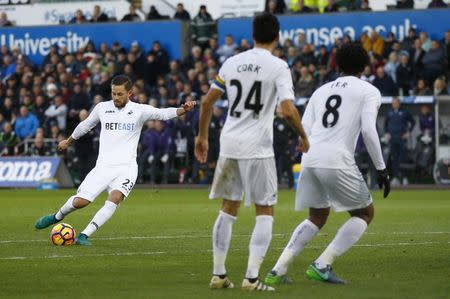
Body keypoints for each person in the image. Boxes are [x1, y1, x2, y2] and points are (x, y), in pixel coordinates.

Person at [194, 13, 309, 291]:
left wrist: (202, 136)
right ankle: (252, 278)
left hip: (229, 143)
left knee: (228, 208)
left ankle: (219, 274)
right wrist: (303, 135)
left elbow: (208, 101)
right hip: (257, 147)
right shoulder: (279, 66)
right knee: (265, 210)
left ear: (253, 34)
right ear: (277, 36)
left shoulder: (232, 62)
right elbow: (288, 108)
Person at [264, 43, 390, 286]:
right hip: (336, 159)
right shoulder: (369, 90)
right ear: (365, 66)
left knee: (317, 215)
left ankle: (277, 270)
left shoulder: (320, 91)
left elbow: (306, 131)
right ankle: (322, 264)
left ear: (337, 65)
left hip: (310, 158)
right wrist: (381, 168)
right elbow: (368, 130)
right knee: (365, 212)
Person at [35, 75, 196, 245]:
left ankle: (84, 235)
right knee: (82, 201)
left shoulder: (139, 110)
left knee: (115, 198)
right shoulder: (102, 108)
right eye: (113, 94)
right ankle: (57, 216)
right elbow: (85, 125)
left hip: (127, 168)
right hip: (103, 166)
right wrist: (68, 141)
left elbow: (163, 113)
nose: (116, 98)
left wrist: (183, 109)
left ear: (130, 93)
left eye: (120, 94)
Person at [384, 97, 415, 186]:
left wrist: (408, 132)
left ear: (399, 103)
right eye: (393, 103)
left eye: (396, 102)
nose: (394, 104)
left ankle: (404, 177)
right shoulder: (389, 112)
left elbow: (413, 122)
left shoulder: (405, 112)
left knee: (403, 158)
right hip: (392, 139)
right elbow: (385, 124)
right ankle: (396, 178)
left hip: (402, 139)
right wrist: (387, 133)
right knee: (394, 159)